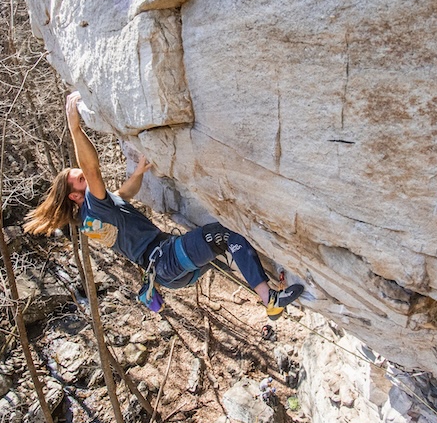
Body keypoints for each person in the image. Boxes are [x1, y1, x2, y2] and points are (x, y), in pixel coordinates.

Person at [25, 92, 305, 319]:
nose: (87, 177)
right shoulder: (92, 205)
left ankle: (268, 289)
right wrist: (74, 128)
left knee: (228, 252)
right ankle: (271, 300)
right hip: (167, 258)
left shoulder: (92, 219)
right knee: (225, 235)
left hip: (168, 275)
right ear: (75, 196)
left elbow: (123, 195)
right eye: (81, 179)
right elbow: (93, 169)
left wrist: (137, 174)